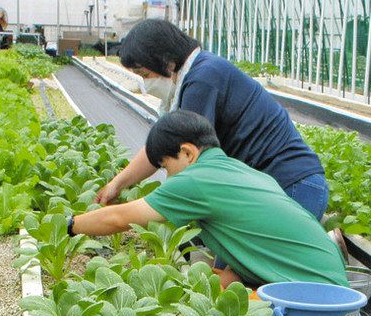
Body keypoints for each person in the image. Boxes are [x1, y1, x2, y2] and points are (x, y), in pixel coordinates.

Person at [72, 110, 347, 289]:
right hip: (333, 284)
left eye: (165, 166)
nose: (168, 176)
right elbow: (249, 241)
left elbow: (119, 218)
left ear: (188, 153)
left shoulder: (196, 180)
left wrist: (71, 224)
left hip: (314, 296)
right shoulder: (240, 170)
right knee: (215, 284)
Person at [95, 19, 330, 222]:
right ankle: (323, 240)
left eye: (145, 75)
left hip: (294, 187)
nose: (145, 84)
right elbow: (162, 147)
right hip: (267, 191)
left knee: (243, 265)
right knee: (222, 253)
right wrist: (118, 183)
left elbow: (184, 158)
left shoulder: (203, 80)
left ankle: (322, 244)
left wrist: (131, 213)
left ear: (166, 61)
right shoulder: (197, 74)